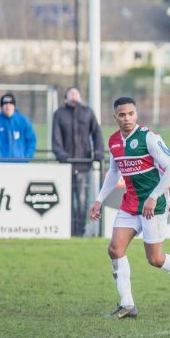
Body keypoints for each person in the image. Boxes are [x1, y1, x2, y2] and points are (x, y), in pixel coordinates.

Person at [89, 97, 170, 318]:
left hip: (153, 205)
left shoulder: (149, 138)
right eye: (122, 115)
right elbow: (114, 172)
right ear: (115, 117)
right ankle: (127, 305)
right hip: (130, 203)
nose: (126, 118)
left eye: (130, 114)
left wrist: (154, 196)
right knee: (115, 249)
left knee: (155, 259)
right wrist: (99, 199)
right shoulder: (114, 141)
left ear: (136, 115)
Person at [52, 87, 105, 236]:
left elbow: (97, 134)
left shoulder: (87, 112)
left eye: (76, 94)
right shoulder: (59, 114)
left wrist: (98, 152)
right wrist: (61, 154)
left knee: (82, 201)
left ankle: (79, 232)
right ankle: (68, 231)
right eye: (71, 94)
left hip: (83, 165)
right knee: (67, 202)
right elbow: (56, 138)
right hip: (65, 166)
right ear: (65, 98)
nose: (74, 96)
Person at [0, 93, 37, 161]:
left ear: (14, 106)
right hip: (1, 165)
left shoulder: (23, 121)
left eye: (10, 104)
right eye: (5, 104)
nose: (8, 107)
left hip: (20, 164)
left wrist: (26, 157)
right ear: (1, 106)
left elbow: (31, 140)